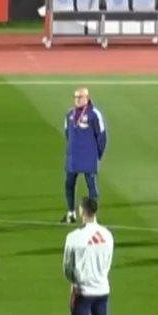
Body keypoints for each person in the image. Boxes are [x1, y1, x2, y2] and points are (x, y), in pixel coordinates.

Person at [60, 198, 114, 315]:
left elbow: (67, 267)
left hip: (83, 292)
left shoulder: (74, 237)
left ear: (82, 211)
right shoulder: (107, 235)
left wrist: (75, 281)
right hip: (102, 289)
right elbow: (108, 262)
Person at [62, 88, 106, 224]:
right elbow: (67, 133)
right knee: (69, 184)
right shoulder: (70, 114)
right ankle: (71, 213)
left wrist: (97, 154)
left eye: (80, 97)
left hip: (88, 156)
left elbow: (102, 136)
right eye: (76, 97)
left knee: (91, 186)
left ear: (87, 98)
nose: (77, 100)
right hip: (74, 156)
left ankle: (92, 216)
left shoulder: (94, 114)